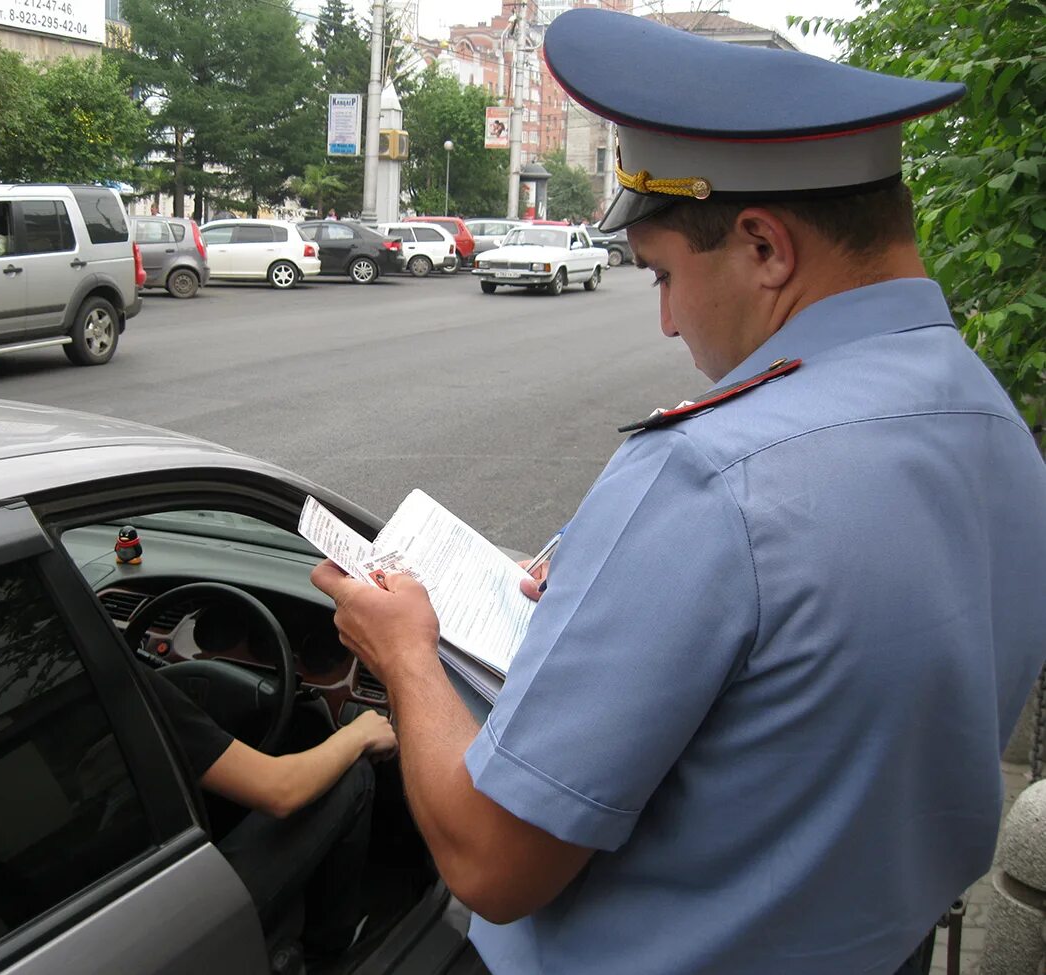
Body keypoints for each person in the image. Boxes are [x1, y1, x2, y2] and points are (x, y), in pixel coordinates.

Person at [311, 9, 1046, 975]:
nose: (663, 320)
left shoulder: (711, 473)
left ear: (765, 247)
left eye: (660, 273)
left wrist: (405, 653)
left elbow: (492, 862)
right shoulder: (996, 422)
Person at [138, 664, 395, 958]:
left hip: (129, 883)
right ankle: (330, 943)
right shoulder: (123, 680)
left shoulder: (83, 670)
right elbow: (279, 791)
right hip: (174, 924)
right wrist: (359, 733)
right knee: (354, 775)